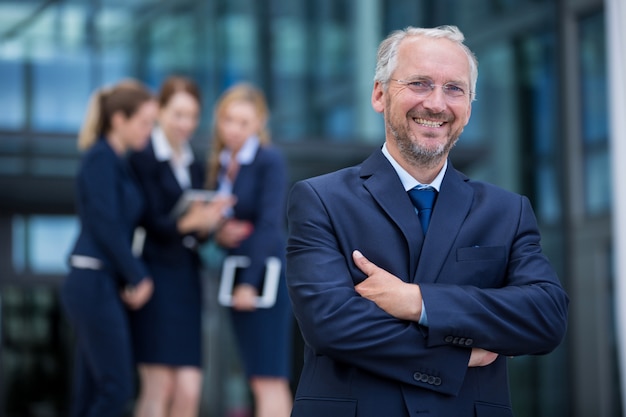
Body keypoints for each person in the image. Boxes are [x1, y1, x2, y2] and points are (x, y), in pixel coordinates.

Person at [285, 25, 569, 417]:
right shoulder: (321, 199)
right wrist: (459, 355)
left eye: (454, 89)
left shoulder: (508, 211)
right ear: (380, 94)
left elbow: (545, 316)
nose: (436, 103)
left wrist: (417, 302)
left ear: (469, 106)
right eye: (420, 83)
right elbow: (332, 324)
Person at [128, 76, 234, 417]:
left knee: (189, 390)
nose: (185, 124)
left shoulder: (195, 164)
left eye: (191, 116)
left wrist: (209, 223)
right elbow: (145, 219)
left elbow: (197, 233)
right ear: (159, 111)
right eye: (178, 114)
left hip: (186, 278)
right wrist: (189, 223)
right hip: (154, 275)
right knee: (159, 386)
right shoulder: (142, 158)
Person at [60, 79, 157, 417]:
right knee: (116, 388)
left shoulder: (118, 162)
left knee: (91, 393)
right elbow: (105, 223)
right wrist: (137, 275)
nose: (149, 130)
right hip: (93, 280)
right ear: (119, 119)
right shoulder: (100, 158)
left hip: (100, 282)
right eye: (144, 122)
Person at [206, 83, 293, 417]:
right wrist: (221, 232)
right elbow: (219, 221)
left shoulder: (267, 159)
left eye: (243, 122)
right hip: (236, 272)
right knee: (256, 374)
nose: (234, 129)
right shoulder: (222, 163)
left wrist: (248, 282)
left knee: (269, 377)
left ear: (259, 122)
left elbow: (270, 224)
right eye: (228, 120)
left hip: (262, 277)